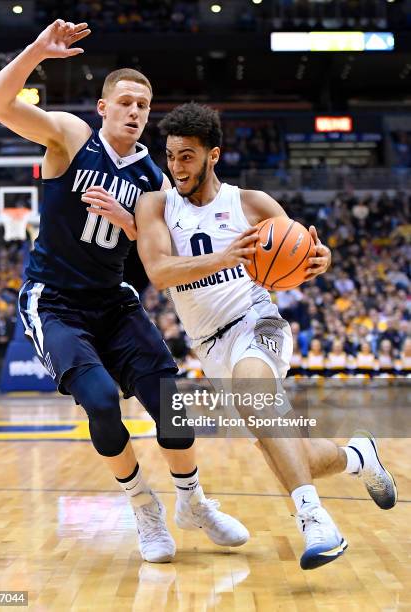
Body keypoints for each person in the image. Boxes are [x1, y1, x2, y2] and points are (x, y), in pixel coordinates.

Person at [0, 22, 248, 564]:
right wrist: (35, 52)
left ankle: (192, 501)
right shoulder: (70, 136)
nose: (135, 112)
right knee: (101, 402)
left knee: (172, 405)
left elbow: (161, 257)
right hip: (54, 300)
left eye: (144, 106)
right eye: (125, 102)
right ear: (103, 108)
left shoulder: (154, 178)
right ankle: (142, 505)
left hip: (112, 299)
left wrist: (131, 223)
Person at [135, 102, 397, 570]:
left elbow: (302, 250)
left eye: (188, 156)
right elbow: (158, 272)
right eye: (172, 156)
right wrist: (226, 256)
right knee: (285, 453)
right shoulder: (156, 204)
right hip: (210, 345)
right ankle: (359, 455)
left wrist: (322, 259)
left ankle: (315, 520)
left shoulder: (249, 203)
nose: (177, 167)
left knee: (256, 396)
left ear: (213, 155)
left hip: (257, 321)